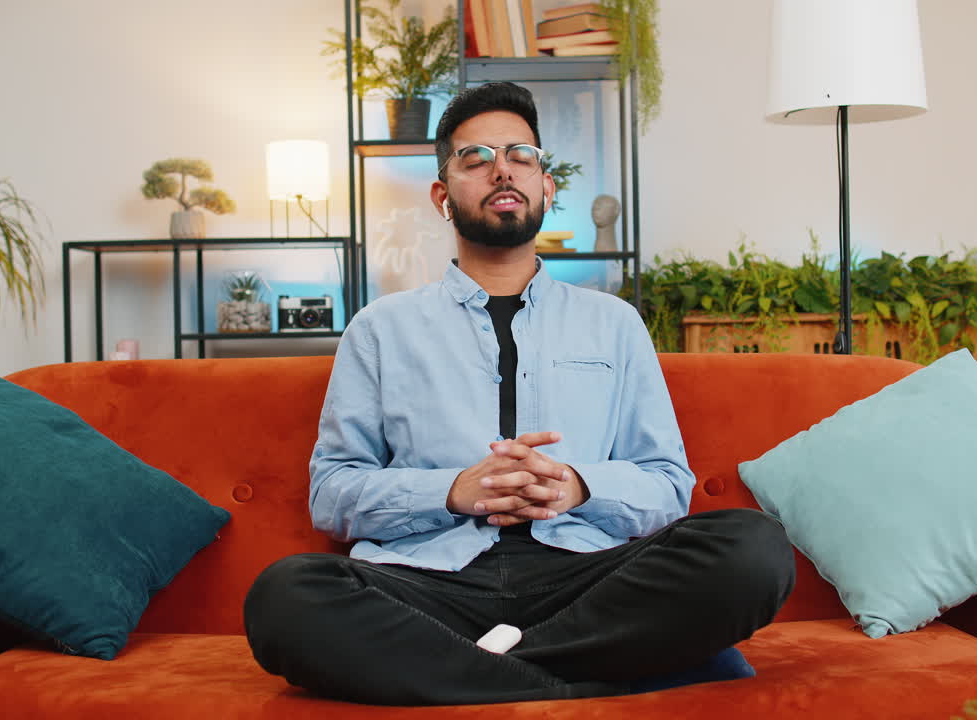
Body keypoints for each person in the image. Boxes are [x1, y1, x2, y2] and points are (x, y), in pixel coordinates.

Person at [243, 82, 795, 706]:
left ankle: (479, 674)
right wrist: (453, 491)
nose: (500, 167)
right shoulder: (380, 328)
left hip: (587, 582)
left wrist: (576, 486)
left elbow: (668, 483)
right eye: (474, 158)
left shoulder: (613, 323)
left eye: (520, 154)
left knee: (752, 549)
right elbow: (333, 493)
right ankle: (591, 678)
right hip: (431, 586)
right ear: (442, 196)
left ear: (545, 186)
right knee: (283, 597)